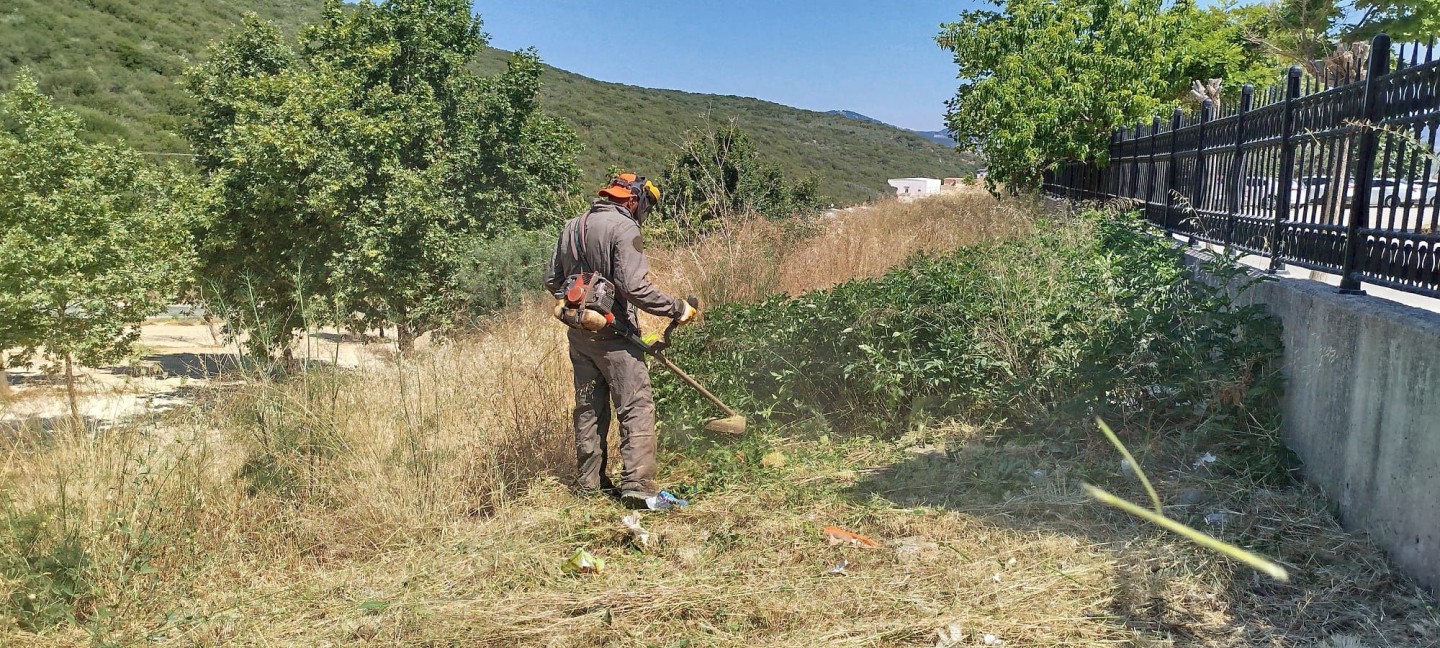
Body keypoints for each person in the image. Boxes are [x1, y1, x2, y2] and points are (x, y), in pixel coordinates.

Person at [543, 173, 696, 509]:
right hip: (615, 336)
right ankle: (638, 487)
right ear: (632, 200)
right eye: (646, 204)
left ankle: (589, 484)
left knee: (589, 408)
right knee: (636, 407)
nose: (645, 211)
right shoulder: (625, 228)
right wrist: (677, 308)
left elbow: (553, 279)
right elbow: (635, 288)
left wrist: (577, 306)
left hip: (580, 336)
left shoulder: (572, 226)